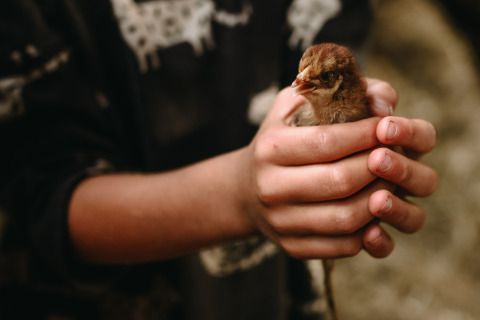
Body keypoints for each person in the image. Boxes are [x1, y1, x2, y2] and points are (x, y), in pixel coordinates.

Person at [0, 0, 438, 319]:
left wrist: (357, 162)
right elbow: (40, 198)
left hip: (264, 297)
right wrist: (237, 196)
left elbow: (332, 60)